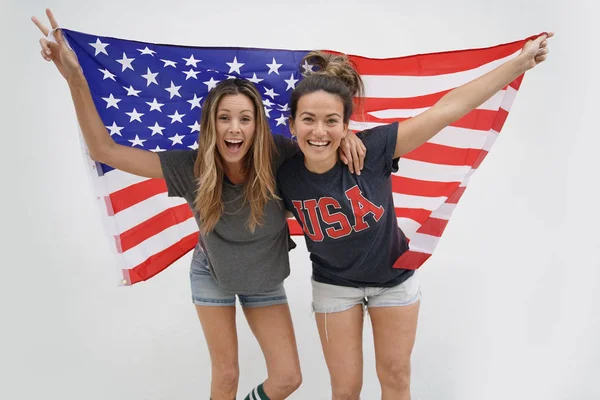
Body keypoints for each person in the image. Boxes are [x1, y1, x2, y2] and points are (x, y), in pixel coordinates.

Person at [32, 8, 367, 400]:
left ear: (258, 124)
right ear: (211, 123)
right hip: (212, 270)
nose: (234, 128)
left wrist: (348, 136)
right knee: (226, 376)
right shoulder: (190, 167)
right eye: (224, 118)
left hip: (263, 278)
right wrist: (74, 77)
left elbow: (320, 141)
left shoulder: (279, 154)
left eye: (245, 118)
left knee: (288, 378)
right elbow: (104, 148)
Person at [277, 34, 552, 400]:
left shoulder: (372, 149)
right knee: (345, 389)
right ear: (292, 124)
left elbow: (446, 110)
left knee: (396, 378)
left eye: (332, 121)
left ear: (347, 126)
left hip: (393, 280)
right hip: (334, 286)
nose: (319, 131)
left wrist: (519, 64)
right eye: (308, 120)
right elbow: (229, 157)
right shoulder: (281, 171)